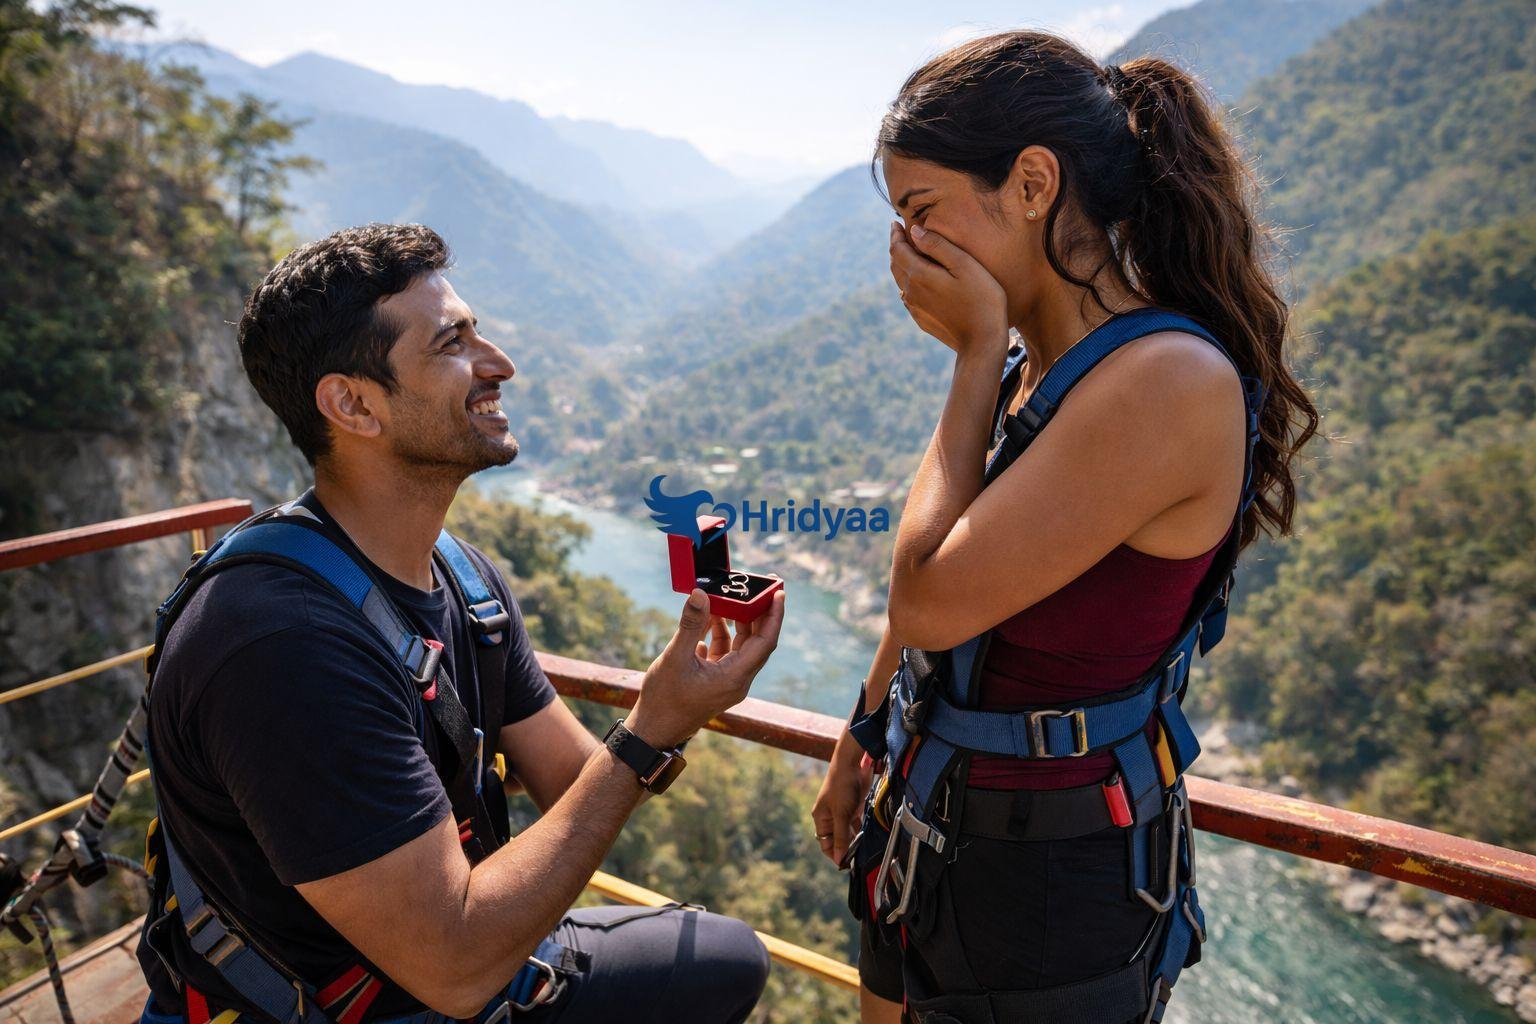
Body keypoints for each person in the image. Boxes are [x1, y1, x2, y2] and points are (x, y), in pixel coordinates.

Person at [134, 224, 782, 1024]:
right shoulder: (281, 647)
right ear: (353, 405)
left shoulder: (461, 577)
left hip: (455, 961)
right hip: (362, 998)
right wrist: (650, 728)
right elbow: (455, 965)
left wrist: (674, 707)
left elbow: (574, 783)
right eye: (453, 344)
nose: (500, 364)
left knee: (726, 961)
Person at [812, 32, 1318, 1024]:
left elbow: (925, 591)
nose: (906, 249)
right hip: (929, 823)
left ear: (1034, 182)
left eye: (923, 212)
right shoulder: (1037, 376)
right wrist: (862, 735)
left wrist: (969, 357)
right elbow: (942, 590)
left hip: (1043, 891)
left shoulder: (1165, 382)